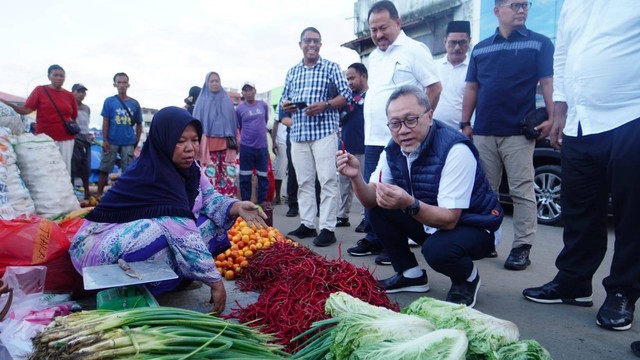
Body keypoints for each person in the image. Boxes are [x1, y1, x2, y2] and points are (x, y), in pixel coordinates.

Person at [69, 106, 267, 314]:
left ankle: (174, 280)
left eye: (195, 139)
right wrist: (214, 281)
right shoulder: (151, 173)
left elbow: (209, 197)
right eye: (180, 141)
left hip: (131, 240)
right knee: (166, 229)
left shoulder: (191, 170)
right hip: (95, 249)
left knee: (207, 223)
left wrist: (236, 206)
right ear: (163, 140)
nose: (190, 148)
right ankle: (127, 289)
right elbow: (182, 232)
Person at [523, 0, 640, 332]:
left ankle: (622, 292)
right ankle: (573, 282)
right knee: (579, 210)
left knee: (632, 216)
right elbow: (563, 55)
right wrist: (559, 109)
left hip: (631, 114)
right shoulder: (573, 4)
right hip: (580, 120)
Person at [337, 85, 502, 307]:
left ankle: (467, 278)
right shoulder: (393, 149)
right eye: (395, 123)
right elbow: (370, 200)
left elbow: (450, 219)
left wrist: (408, 203)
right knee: (379, 207)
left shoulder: (455, 149)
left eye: (411, 120)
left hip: (475, 225)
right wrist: (356, 177)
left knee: (437, 250)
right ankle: (410, 274)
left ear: (430, 116)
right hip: (430, 219)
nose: (403, 130)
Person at [461, 0, 554, 270]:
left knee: (522, 190)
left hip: (518, 132)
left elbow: (547, 82)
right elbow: (472, 88)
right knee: (485, 191)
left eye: (525, 5)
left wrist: (551, 117)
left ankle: (522, 247)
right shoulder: (481, 49)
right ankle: (486, 239)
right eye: (515, 5)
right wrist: (465, 122)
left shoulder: (539, 43)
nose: (522, 9)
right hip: (484, 131)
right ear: (497, 11)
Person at [347, 0, 442, 265]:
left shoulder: (414, 50)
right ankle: (376, 237)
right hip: (375, 139)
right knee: (373, 193)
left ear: (398, 23)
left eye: (383, 27)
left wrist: (417, 127)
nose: (378, 35)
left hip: (402, 140)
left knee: (395, 197)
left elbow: (433, 88)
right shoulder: (374, 57)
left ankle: (395, 248)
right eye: (373, 29)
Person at [280, 26, 350, 247]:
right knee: (304, 181)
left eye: (316, 41)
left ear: (321, 44)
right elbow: (284, 100)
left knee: (328, 179)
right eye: (308, 41)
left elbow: (346, 94)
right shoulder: (292, 71)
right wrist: (287, 105)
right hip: (299, 133)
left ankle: (328, 227)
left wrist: (326, 105)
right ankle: (308, 223)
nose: (312, 44)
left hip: (324, 131)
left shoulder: (331, 67)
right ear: (300, 44)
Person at [1, 64, 77, 175]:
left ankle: (64, 191)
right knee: (47, 167)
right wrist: (9, 104)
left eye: (61, 76)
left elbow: (74, 116)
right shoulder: (40, 91)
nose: (59, 78)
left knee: (65, 168)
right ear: (49, 76)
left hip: (66, 139)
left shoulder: (69, 95)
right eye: (55, 75)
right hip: (45, 138)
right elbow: (26, 110)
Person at [96, 72, 143, 198]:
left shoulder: (134, 103)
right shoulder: (109, 101)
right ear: (114, 84)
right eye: (119, 82)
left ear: (128, 85)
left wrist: (136, 141)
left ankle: (127, 196)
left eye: (124, 82)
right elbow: (106, 121)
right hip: (111, 141)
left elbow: (139, 124)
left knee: (128, 171)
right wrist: (104, 140)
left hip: (128, 141)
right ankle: (99, 195)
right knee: (104, 169)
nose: (122, 85)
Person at [193, 72, 239, 197]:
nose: (214, 83)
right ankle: (212, 204)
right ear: (207, 83)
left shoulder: (226, 100)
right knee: (210, 177)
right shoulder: (201, 101)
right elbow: (196, 126)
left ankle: (229, 206)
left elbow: (233, 123)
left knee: (229, 177)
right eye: (211, 81)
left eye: (217, 81)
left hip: (226, 146)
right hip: (208, 147)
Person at [336, 63, 368, 228]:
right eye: (347, 78)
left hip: (364, 147)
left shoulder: (372, 96)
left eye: (352, 78)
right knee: (344, 184)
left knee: (364, 183)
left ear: (363, 76)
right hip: (345, 147)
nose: (349, 82)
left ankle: (366, 217)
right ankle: (342, 216)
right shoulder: (345, 98)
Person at [432, 21, 472, 130]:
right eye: (453, 43)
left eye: (462, 42)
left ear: (469, 42)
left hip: (462, 132)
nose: (457, 47)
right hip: (433, 130)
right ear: (445, 42)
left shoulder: (474, 69)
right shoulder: (433, 66)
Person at [236, 82, 270, 204]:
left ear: (255, 91)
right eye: (245, 90)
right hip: (246, 147)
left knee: (263, 176)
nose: (248, 92)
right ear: (242, 93)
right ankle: (246, 203)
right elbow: (239, 125)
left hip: (262, 147)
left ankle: (262, 202)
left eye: (250, 90)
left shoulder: (263, 106)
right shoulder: (239, 109)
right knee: (245, 176)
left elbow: (265, 120)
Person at [71, 83, 92, 200]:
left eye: (83, 92)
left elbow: (86, 125)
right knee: (73, 167)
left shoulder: (86, 108)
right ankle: (72, 191)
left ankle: (87, 192)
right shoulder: (69, 107)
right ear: (73, 92)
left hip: (85, 139)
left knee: (86, 167)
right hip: (74, 138)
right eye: (78, 91)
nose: (81, 94)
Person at [271, 109, 288, 205]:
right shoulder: (282, 105)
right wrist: (274, 142)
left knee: (294, 171)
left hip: (295, 140)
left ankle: (292, 197)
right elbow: (275, 123)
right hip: (281, 142)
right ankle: (277, 196)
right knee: (279, 170)